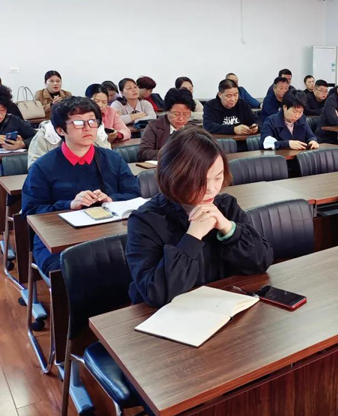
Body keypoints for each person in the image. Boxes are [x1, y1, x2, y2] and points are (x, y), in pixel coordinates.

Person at [126, 126, 273, 307]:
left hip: (222, 308)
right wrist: (193, 237)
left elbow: (261, 261)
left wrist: (229, 229)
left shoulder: (226, 206)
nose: (212, 188)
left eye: (218, 178)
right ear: (174, 177)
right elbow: (158, 293)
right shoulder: (145, 221)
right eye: (200, 181)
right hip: (169, 321)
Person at [22, 97, 140, 275]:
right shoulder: (43, 166)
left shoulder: (112, 159)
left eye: (92, 121)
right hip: (60, 238)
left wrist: (110, 199)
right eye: (78, 123)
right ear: (61, 130)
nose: (87, 128)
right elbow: (31, 211)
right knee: (76, 270)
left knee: (141, 256)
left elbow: (134, 194)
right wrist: (69, 204)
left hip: (110, 232)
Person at [138, 88, 195, 161]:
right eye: (176, 114)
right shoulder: (154, 126)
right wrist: (172, 154)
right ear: (167, 111)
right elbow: (143, 153)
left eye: (186, 114)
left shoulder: (192, 129)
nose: (181, 118)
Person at [0, 85, 36, 149]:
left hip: (8, 157)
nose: (0, 115)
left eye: (3, 110)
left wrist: (23, 144)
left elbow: (37, 137)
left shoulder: (14, 120)